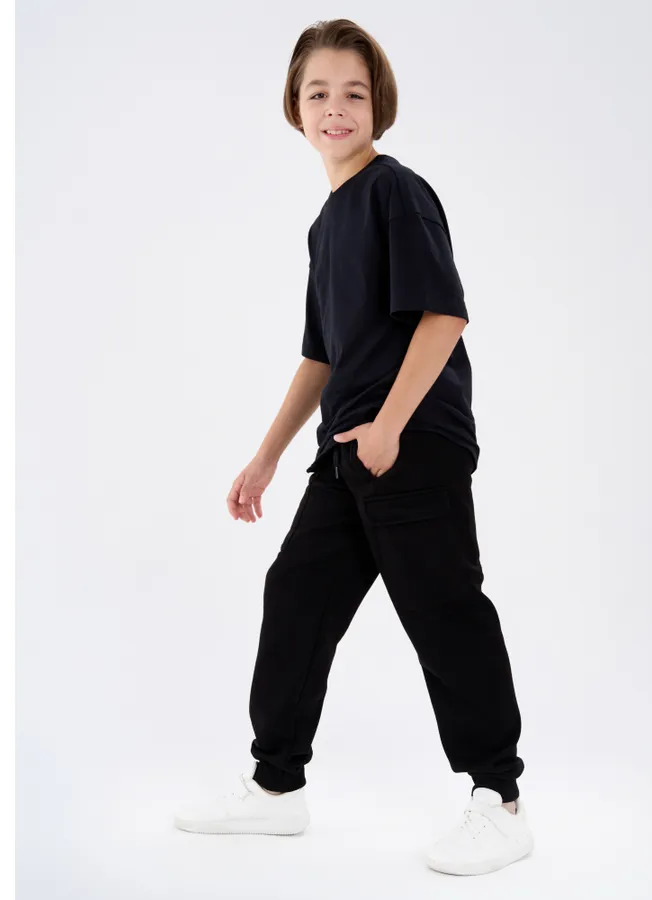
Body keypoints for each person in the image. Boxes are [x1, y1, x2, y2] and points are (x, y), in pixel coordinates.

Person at [174, 18, 534, 877]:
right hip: (347, 450)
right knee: (297, 593)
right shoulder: (327, 221)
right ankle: (275, 787)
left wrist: (390, 427)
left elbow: (443, 315)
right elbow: (322, 356)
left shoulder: (394, 192)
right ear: (294, 109)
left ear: (380, 105)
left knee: (442, 610)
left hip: (410, 442)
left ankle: (501, 800)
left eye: (354, 93)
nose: (335, 107)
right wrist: (266, 456)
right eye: (318, 93)